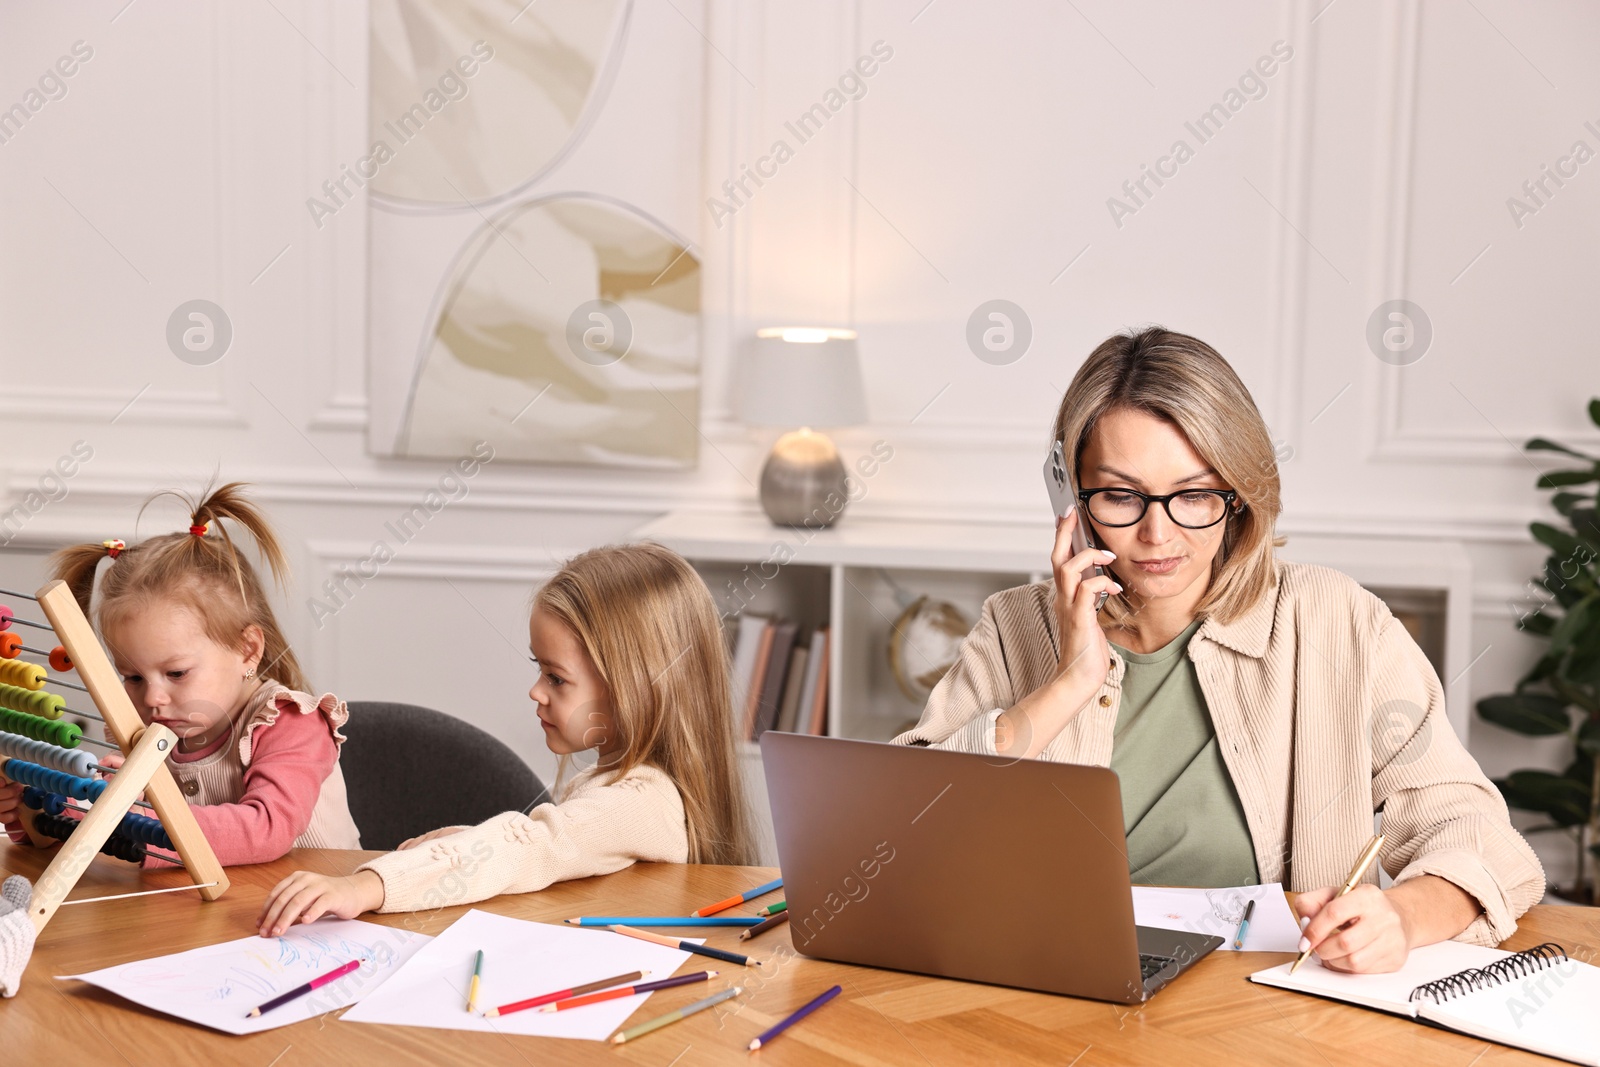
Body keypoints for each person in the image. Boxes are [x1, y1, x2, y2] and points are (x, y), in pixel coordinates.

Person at [894, 326, 1543, 973]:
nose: (1157, 533)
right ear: (1070, 498)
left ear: (1238, 495)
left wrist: (1401, 916)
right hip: (1046, 998)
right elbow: (898, 840)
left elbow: (1480, 835)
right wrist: (1069, 679)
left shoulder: (1337, 623)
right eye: (1121, 495)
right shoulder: (1013, 629)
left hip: (1267, 1013)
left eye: (1195, 494)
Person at [257, 542, 753, 933]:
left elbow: (532, 846)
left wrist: (366, 887)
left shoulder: (643, 801)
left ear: (635, 689)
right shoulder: (626, 786)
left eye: (556, 678)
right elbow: (565, 850)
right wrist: (467, 842)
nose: (536, 691)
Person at [0, 483, 361, 863]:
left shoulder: (291, 724)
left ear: (248, 650)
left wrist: (138, 816)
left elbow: (266, 829)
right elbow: (106, 833)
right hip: (208, 908)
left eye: (176, 673)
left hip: (320, 909)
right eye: (133, 677)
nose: (152, 698)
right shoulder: (148, 729)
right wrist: (39, 810)